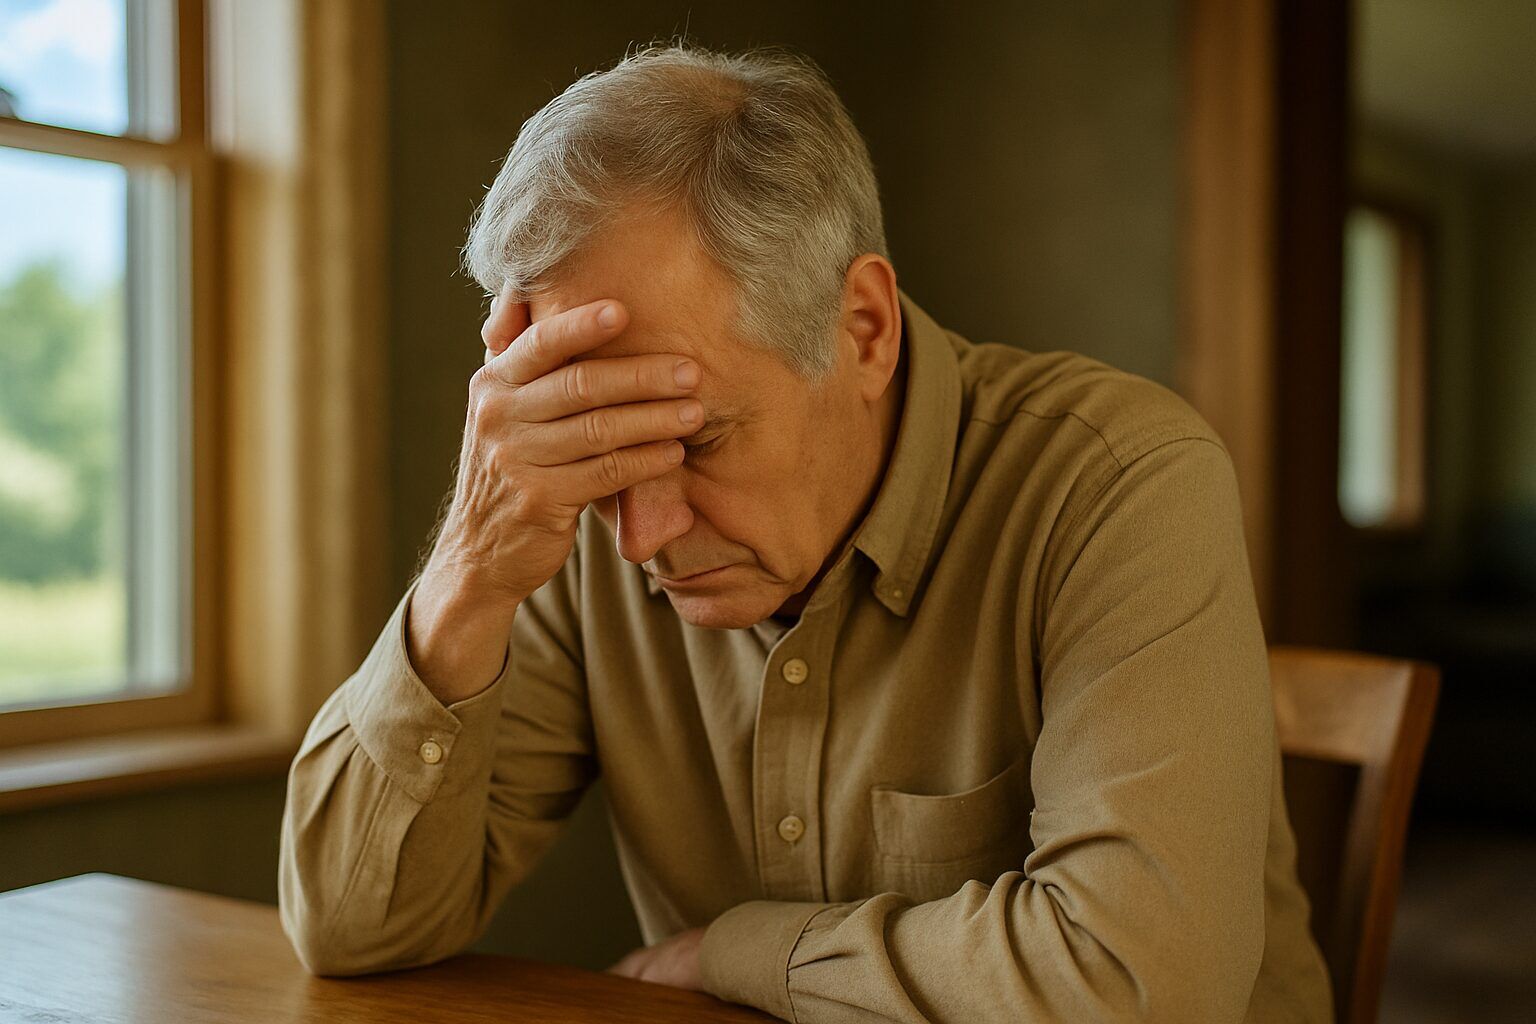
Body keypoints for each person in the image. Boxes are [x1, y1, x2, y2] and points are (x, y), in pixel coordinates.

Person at [278, 44, 1333, 1023]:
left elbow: (1139, 983)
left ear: (862, 330)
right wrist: (469, 569)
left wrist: (742, 955)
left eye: (697, 440)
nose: (643, 536)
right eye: (600, 454)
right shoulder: (581, 524)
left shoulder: (1118, 482)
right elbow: (349, 926)